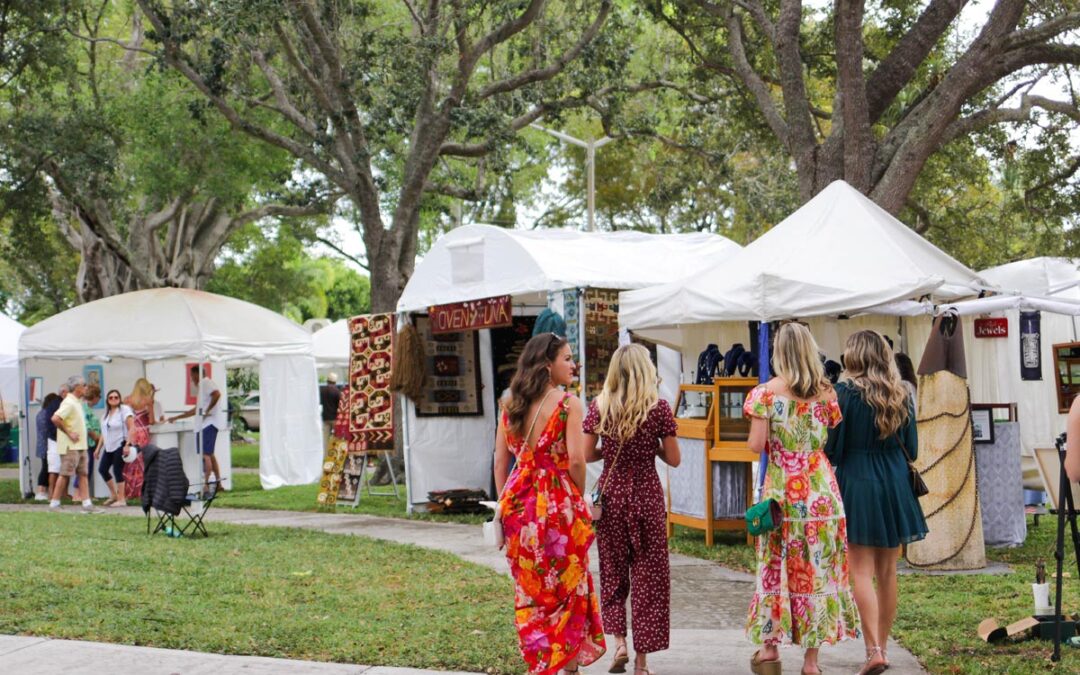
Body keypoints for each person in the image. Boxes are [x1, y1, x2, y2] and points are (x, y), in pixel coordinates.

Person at [744, 322, 859, 675]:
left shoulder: (766, 394)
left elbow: (754, 445)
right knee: (817, 571)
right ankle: (811, 662)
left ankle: (769, 651)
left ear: (779, 352)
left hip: (783, 493)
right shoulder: (827, 393)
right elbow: (830, 434)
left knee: (776, 569)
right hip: (822, 493)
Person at [494, 332, 605, 674]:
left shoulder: (510, 404)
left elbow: (500, 463)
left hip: (519, 506)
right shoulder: (569, 404)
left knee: (532, 589)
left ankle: (540, 662)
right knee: (568, 587)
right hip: (559, 508)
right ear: (547, 364)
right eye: (568, 359)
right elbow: (575, 460)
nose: (574, 364)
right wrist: (579, 498)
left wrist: (504, 508)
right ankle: (568, 667)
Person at [826, 331, 928, 674]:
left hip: (857, 480)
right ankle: (882, 646)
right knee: (888, 572)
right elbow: (912, 449)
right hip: (896, 484)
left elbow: (833, 449)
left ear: (852, 356)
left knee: (860, 571)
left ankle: (872, 651)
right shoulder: (902, 395)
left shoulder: (842, 394)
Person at [582, 344, 680, 675]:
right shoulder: (660, 409)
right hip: (647, 498)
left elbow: (586, 454)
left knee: (612, 573)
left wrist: (610, 453)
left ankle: (619, 643)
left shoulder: (600, 407)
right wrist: (651, 447)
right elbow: (675, 459)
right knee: (649, 578)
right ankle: (642, 663)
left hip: (611, 499)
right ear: (646, 371)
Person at [169, 364, 227, 495]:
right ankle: (218, 483)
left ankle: (206, 484)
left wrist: (207, 410)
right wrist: (177, 417)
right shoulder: (203, 387)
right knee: (209, 454)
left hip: (208, 424)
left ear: (197, 374)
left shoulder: (206, 382)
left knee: (205, 454)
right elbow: (196, 410)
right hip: (205, 425)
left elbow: (217, 394)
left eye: (192, 376)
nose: (191, 379)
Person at [50, 376, 98, 513]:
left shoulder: (77, 402)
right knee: (65, 474)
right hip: (70, 446)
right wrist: (69, 433)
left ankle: (87, 504)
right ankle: (54, 504)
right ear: (77, 387)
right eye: (84, 385)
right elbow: (55, 418)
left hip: (81, 446)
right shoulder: (69, 402)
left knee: (83, 474)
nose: (86, 387)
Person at [96, 389, 135, 507]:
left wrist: (128, 444)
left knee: (117, 470)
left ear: (119, 399)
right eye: (111, 397)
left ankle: (122, 499)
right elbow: (104, 433)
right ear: (107, 400)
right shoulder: (105, 415)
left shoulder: (124, 410)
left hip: (120, 444)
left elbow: (132, 427)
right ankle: (114, 494)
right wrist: (98, 449)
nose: (113, 399)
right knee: (102, 469)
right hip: (108, 446)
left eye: (116, 397)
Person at [123, 378, 159, 500]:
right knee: (142, 461)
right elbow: (151, 421)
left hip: (132, 432)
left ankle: (128, 490)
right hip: (143, 433)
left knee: (131, 460)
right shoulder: (148, 401)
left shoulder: (127, 400)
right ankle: (140, 490)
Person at [33, 393, 62, 501]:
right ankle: (41, 491)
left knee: (45, 467)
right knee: (47, 468)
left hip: (41, 444)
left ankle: (42, 491)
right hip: (48, 444)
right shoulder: (48, 414)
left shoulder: (40, 413)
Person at [78, 385, 102, 502]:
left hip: (91, 444)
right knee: (85, 469)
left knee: (88, 469)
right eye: (99, 396)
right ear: (95, 397)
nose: (100, 399)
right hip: (87, 443)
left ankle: (85, 495)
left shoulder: (87, 408)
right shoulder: (84, 408)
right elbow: (87, 427)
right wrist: (97, 438)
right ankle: (79, 495)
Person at [320, 372, 342, 448]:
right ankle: (335, 456)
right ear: (335, 382)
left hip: (325, 417)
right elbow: (340, 404)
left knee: (325, 439)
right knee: (337, 438)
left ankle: (325, 457)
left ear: (327, 381)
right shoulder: (337, 391)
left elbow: (321, 402)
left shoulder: (322, 390)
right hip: (335, 418)